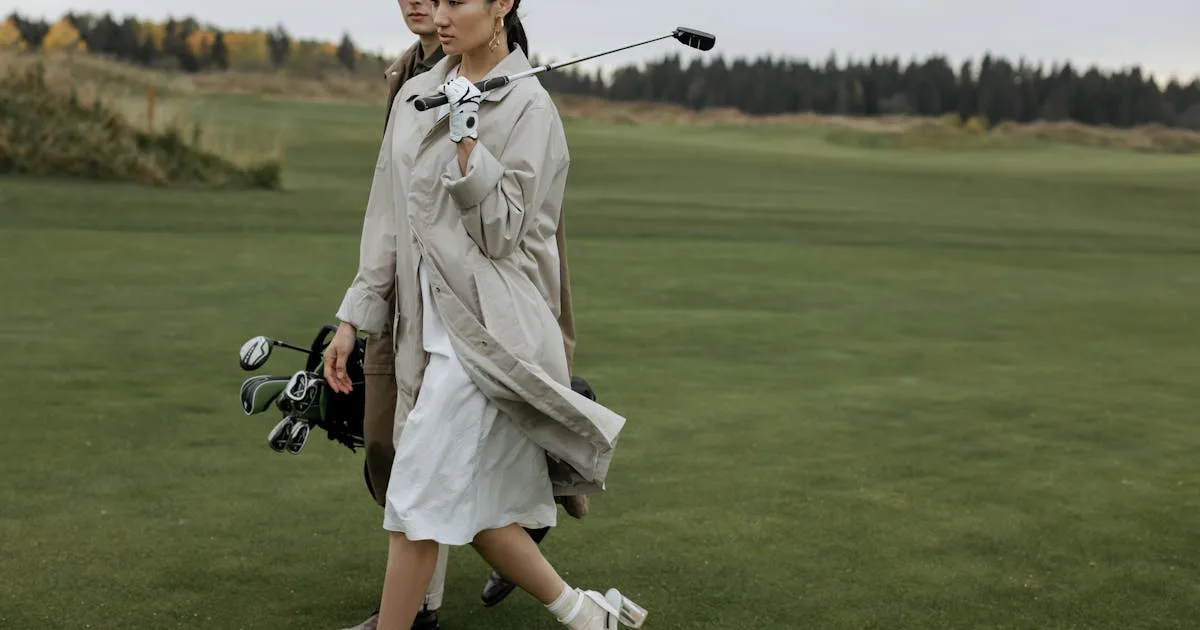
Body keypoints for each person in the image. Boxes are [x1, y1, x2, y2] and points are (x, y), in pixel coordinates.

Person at [323, 0, 645, 629]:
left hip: (487, 338)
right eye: (435, 1)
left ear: (503, 4)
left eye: (456, 0)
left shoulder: (530, 109)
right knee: (476, 510)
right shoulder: (418, 92)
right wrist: (352, 318)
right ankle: (588, 617)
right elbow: (386, 220)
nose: (440, 14)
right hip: (423, 335)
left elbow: (501, 232)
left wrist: (469, 142)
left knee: (415, 502)